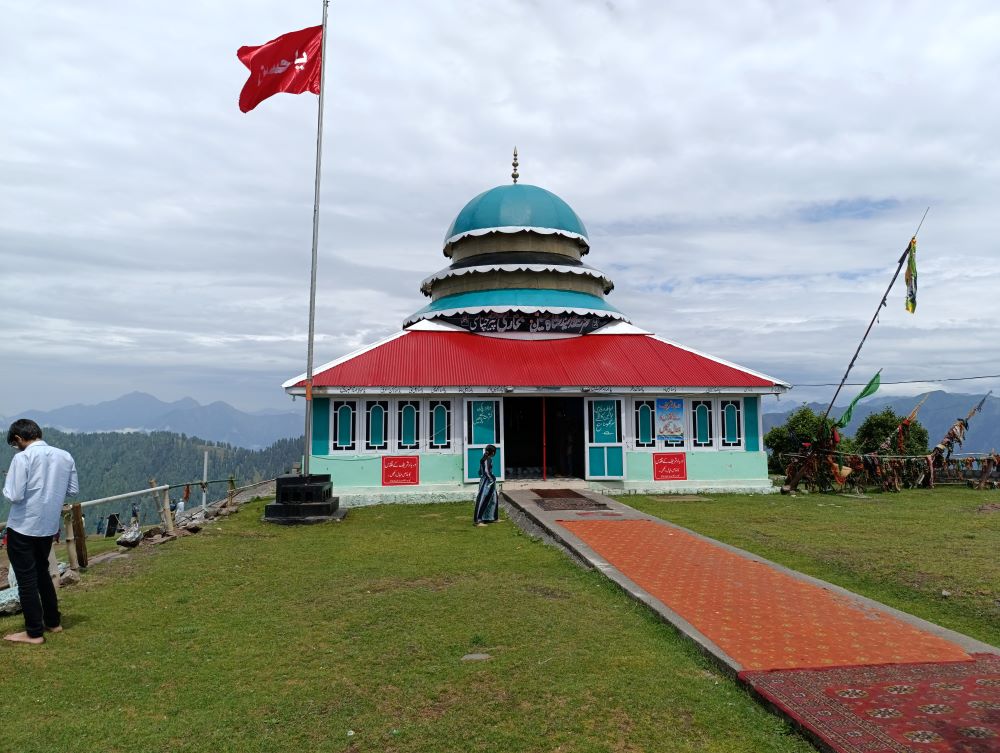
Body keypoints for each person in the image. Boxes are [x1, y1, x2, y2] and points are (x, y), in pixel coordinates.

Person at [2, 419, 78, 645]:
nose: (16, 448)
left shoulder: (22, 458)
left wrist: (7, 483)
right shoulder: (65, 456)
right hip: (47, 526)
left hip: (23, 526)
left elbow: (14, 495)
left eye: (15, 444)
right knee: (42, 572)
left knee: (26, 579)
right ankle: (53, 622)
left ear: (18, 438)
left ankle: (33, 632)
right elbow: (73, 490)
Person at [473, 444, 499, 527]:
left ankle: (492, 517)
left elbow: (480, 472)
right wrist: (492, 479)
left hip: (488, 481)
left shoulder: (485, 459)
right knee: (482, 499)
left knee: (493, 499)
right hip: (487, 482)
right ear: (493, 452)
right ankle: (478, 520)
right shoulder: (487, 459)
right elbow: (486, 472)